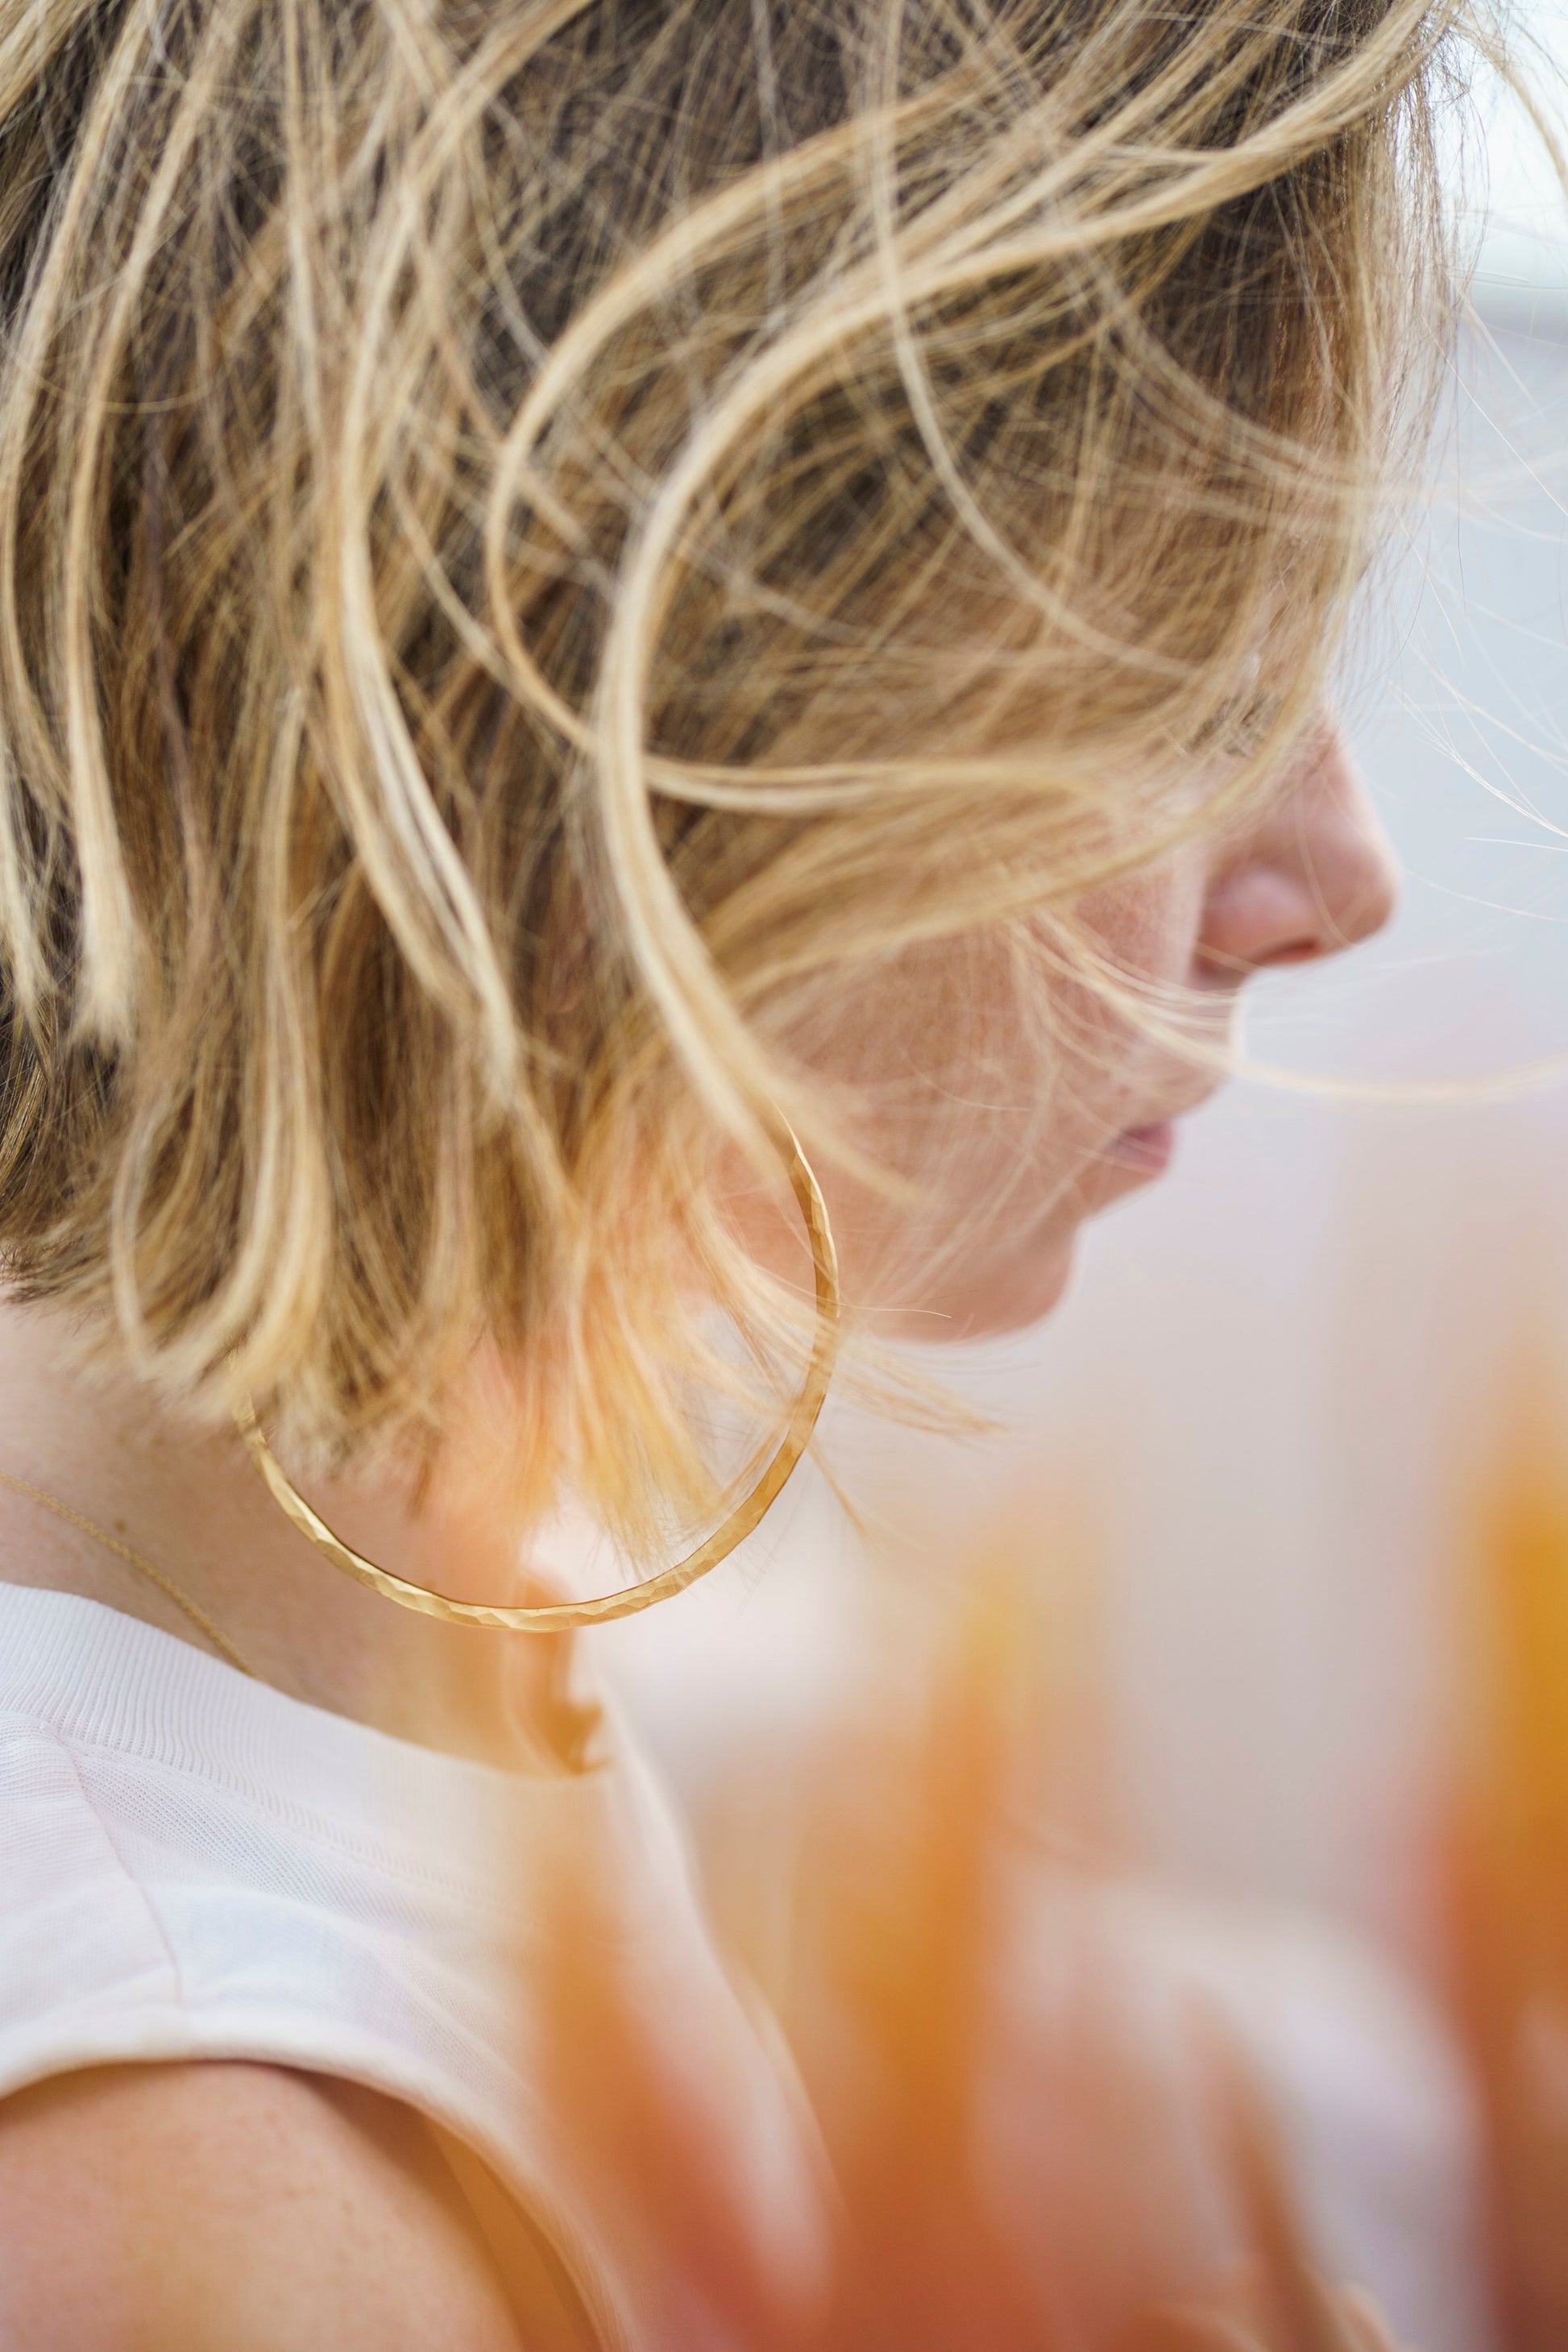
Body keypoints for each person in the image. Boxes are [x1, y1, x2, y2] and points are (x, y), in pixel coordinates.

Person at [0, 0, 1457, 2341]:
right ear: (626, 668)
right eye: (1185, 671)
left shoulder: (384, 1560)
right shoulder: (207, 2188)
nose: (1334, 869)